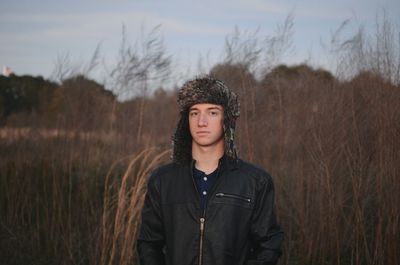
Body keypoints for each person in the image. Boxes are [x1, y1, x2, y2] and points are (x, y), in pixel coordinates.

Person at [137, 76, 283, 265]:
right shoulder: (162, 181)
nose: (201, 122)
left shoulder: (255, 182)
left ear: (226, 118)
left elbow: (269, 246)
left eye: (212, 112)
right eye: (194, 113)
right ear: (186, 120)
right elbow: (149, 245)